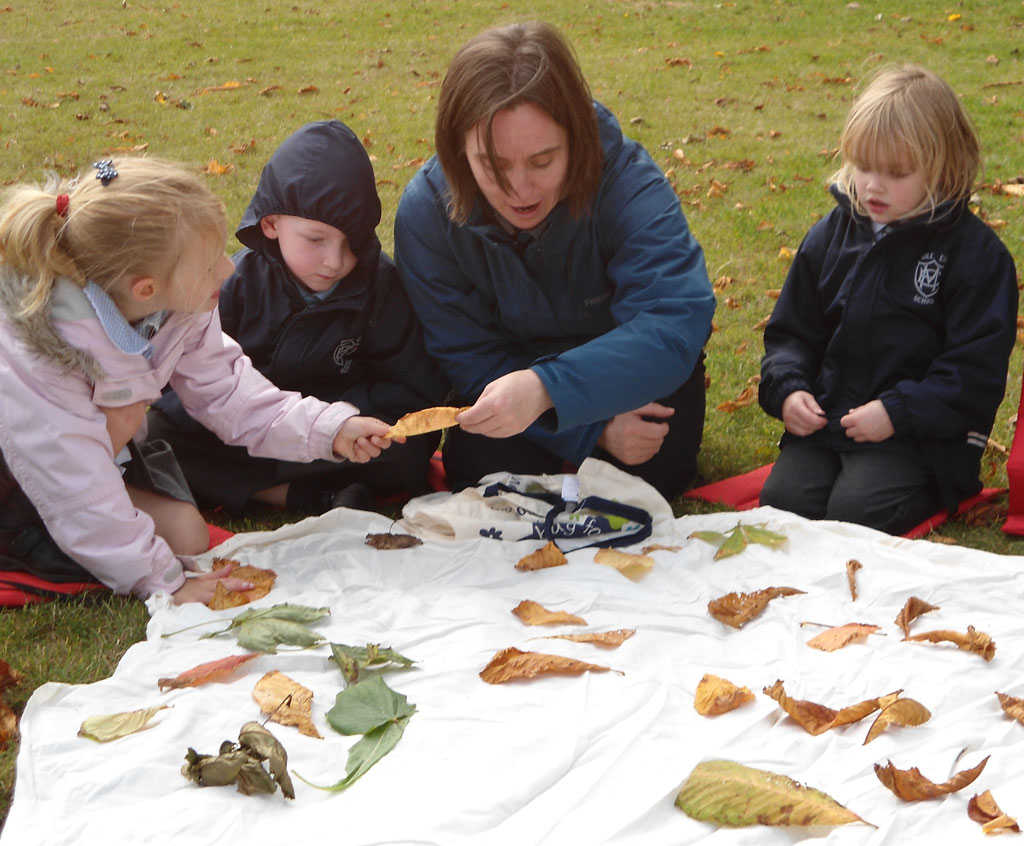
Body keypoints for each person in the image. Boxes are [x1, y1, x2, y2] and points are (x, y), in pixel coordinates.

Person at [0, 157, 398, 603]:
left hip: (92, 456)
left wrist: (329, 428)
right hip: (19, 472)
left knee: (186, 535)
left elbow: (229, 391)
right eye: (209, 264)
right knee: (128, 519)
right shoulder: (35, 352)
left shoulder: (183, 303)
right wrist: (167, 582)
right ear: (145, 289)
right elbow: (75, 487)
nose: (228, 271)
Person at [393, 21, 715, 500]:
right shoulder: (426, 212)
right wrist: (589, 430)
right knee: (488, 478)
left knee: (647, 477)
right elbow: (464, 354)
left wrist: (550, 387)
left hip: (625, 370)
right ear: (458, 150)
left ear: (576, 138)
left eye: (542, 162)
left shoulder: (627, 179)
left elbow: (673, 320)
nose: (520, 189)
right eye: (493, 165)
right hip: (507, 376)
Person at [758, 64, 1018, 534]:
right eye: (864, 167)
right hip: (830, 423)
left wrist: (897, 413)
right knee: (783, 504)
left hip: (921, 439)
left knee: (855, 512)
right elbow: (792, 332)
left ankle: (940, 486)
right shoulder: (829, 236)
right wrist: (789, 389)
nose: (873, 185)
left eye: (896, 173)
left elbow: (972, 373)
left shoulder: (976, 257)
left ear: (941, 167)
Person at [148, 121, 448, 516]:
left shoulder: (382, 288)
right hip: (246, 429)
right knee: (160, 438)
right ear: (271, 224)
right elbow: (189, 389)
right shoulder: (235, 284)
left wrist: (344, 418)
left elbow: (412, 388)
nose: (335, 260)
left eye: (352, 240)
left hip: (343, 434)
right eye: (316, 240)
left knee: (401, 456)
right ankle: (304, 498)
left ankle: (294, 488)